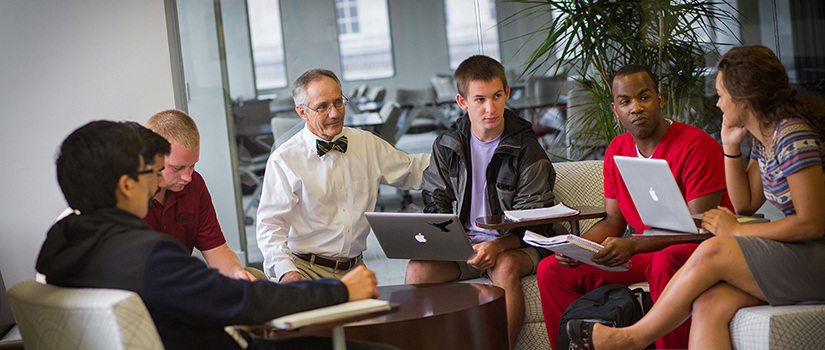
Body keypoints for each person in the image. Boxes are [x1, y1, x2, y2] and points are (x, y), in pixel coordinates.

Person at [36, 120, 383, 349]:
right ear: (126, 186)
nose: (158, 180)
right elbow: (244, 301)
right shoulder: (148, 255)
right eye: (151, 172)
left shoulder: (61, 244)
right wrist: (339, 288)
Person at [565, 45, 825, 350]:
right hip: (801, 252)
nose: (718, 103)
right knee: (709, 304)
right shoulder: (765, 139)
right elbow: (745, 204)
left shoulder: (792, 135)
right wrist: (730, 146)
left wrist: (739, 231)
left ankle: (632, 338)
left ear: (743, 96)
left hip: (815, 255)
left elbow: (812, 224)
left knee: (714, 250)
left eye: (721, 93)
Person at [537, 64, 732, 349]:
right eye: (625, 101)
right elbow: (613, 221)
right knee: (552, 270)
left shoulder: (696, 146)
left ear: (660, 100)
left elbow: (700, 227)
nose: (636, 108)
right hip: (645, 251)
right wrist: (576, 247)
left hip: (694, 251)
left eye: (644, 97)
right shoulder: (616, 150)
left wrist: (634, 245)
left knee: (666, 262)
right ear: (615, 110)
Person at [404, 55, 561, 348]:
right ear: (462, 102)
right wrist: (446, 237)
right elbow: (434, 198)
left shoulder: (527, 148)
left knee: (504, 267)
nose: (491, 108)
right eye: (479, 100)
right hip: (466, 247)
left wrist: (498, 244)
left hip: (518, 245)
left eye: (497, 96)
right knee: (417, 269)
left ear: (507, 93)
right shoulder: (448, 143)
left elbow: (536, 222)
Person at [256, 69, 430, 283]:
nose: (335, 113)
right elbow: (270, 225)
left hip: (355, 269)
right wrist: (287, 272)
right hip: (305, 270)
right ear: (302, 112)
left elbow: (413, 170)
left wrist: (464, 156)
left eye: (338, 102)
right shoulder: (285, 159)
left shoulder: (365, 144)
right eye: (323, 107)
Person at [145, 110, 258, 281]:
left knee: (253, 278)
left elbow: (216, 250)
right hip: (148, 288)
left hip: (183, 282)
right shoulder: (129, 195)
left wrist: (236, 273)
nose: (187, 177)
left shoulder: (194, 185)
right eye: (177, 168)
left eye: (192, 166)